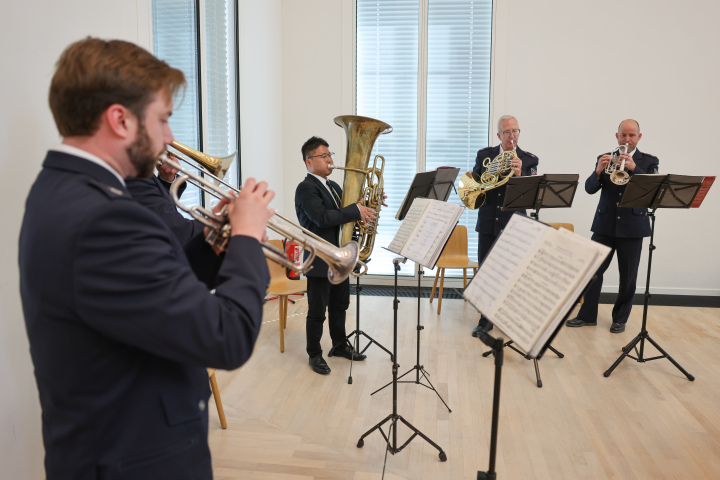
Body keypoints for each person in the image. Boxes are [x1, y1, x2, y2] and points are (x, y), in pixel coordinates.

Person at [19, 37, 274, 479]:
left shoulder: (62, 189)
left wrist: (215, 243)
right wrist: (249, 238)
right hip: (135, 460)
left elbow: (152, 292)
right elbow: (226, 337)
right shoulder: (105, 216)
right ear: (119, 119)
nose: (169, 138)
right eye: (162, 120)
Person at [566, 119, 659, 333]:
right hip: (604, 225)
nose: (627, 139)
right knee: (592, 271)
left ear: (639, 137)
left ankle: (620, 318)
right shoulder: (605, 158)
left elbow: (652, 190)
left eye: (631, 135)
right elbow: (590, 189)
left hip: (633, 226)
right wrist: (598, 171)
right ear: (616, 136)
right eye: (623, 135)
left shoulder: (649, 161)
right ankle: (587, 316)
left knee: (627, 277)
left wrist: (635, 169)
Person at [294, 136, 376, 375]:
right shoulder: (306, 188)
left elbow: (344, 218)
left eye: (330, 155)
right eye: (324, 156)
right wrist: (353, 210)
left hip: (340, 256)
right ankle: (314, 354)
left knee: (340, 305)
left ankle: (339, 345)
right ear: (309, 162)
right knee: (317, 310)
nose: (330, 160)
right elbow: (322, 218)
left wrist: (365, 208)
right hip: (320, 259)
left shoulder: (335, 187)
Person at [471, 115, 538, 337]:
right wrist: (487, 176)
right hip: (489, 222)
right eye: (507, 132)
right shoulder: (485, 155)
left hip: (514, 225)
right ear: (499, 135)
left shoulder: (528, 160)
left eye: (515, 131)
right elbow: (475, 185)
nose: (512, 136)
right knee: (486, 273)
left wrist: (520, 175)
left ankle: (510, 317)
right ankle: (485, 320)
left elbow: (530, 196)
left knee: (514, 274)